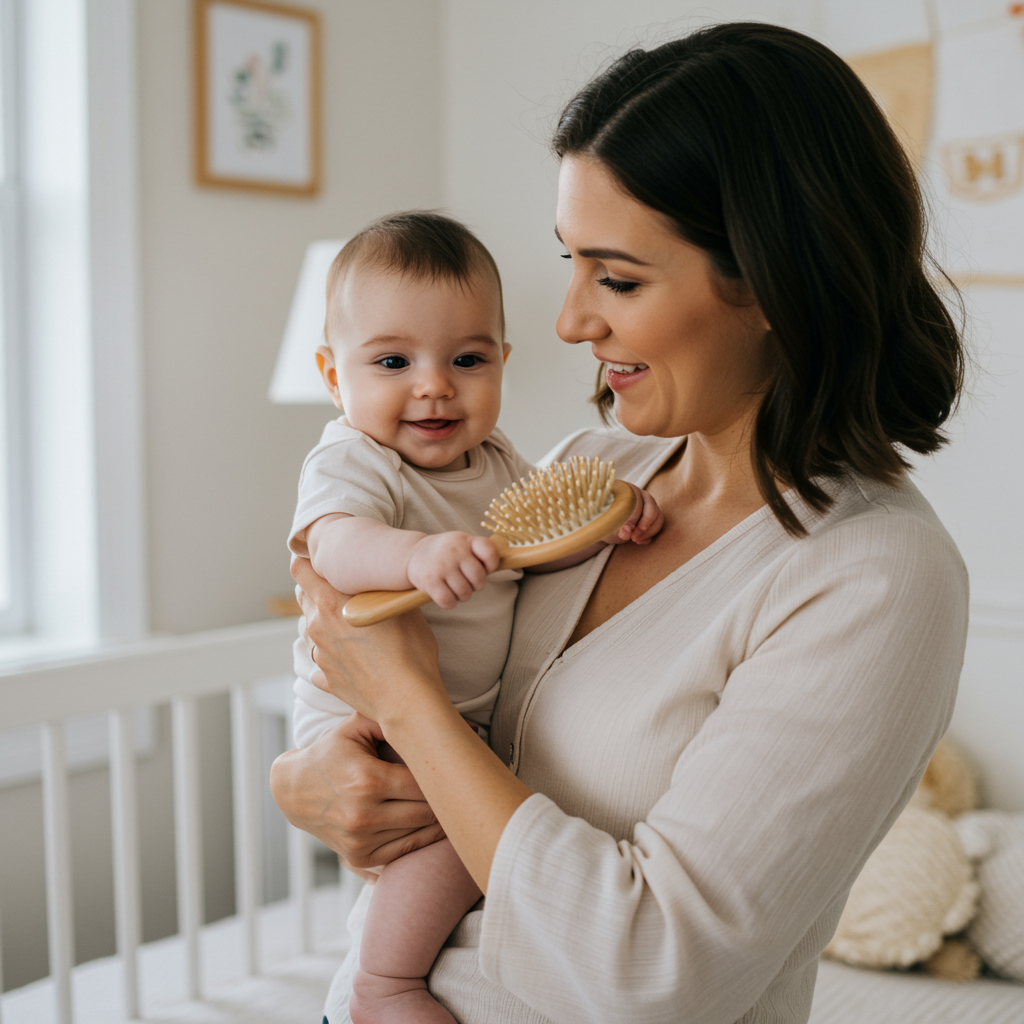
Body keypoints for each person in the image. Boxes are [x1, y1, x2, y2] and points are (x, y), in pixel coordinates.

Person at [272, 22, 970, 1024]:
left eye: (619, 277)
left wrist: (410, 707)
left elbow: (655, 975)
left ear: (770, 280)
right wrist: (306, 782)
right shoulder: (588, 474)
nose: (569, 321)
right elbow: (370, 681)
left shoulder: (871, 575)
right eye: (571, 261)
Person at [288, 210, 663, 1024]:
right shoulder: (354, 458)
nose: (434, 385)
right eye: (392, 361)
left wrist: (604, 524)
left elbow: (530, 549)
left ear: (502, 361)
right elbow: (334, 546)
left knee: (467, 834)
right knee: (446, 847)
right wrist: (413, 558)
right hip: (362, 716)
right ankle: (382, 985)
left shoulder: (496, 462)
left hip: (452, 720)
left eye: (467, 359)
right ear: (331, 373)